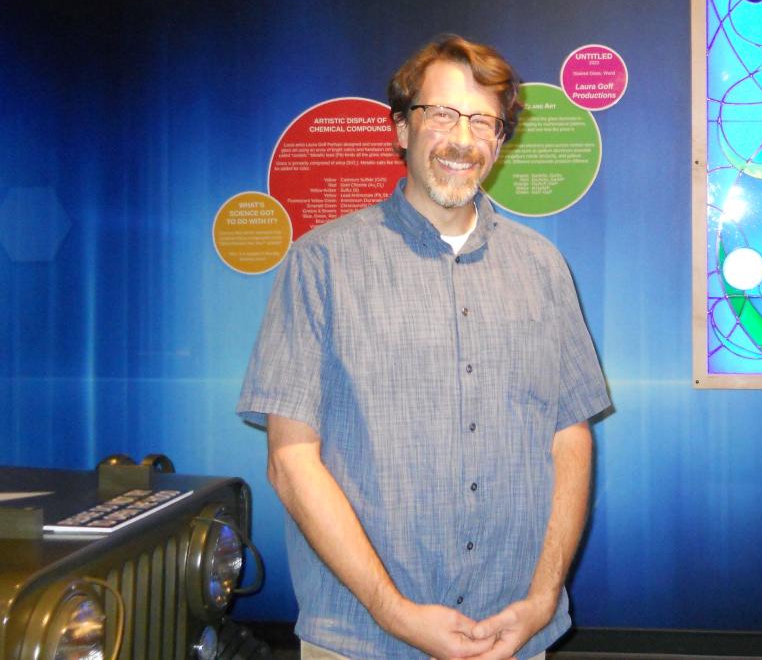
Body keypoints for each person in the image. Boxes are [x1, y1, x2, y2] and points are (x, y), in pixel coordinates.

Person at [237, 34, 611, 660]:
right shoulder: (320, 265)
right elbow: (291, 462)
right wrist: (396, 614)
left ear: (499, 140)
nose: (462, 139)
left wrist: (544, 598)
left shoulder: (544, 267)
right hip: (359, 639)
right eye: (440, 114)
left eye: (483, 121)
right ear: (400, 131)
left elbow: (569, 436)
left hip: (512, 636)